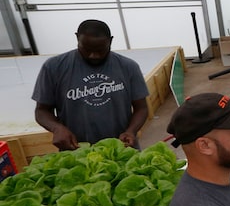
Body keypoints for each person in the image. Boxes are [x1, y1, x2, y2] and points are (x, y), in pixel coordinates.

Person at [32, 19, 149, 151]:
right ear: (77, 38)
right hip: (77, 153)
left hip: (122, 150)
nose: (94, 55)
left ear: (110, 41)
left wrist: (131, 131)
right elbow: (41, 110)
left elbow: (141, 108)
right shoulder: (54, 67)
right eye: (86, 49)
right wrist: (57, 128)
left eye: (101, 50)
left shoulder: (128, 67)